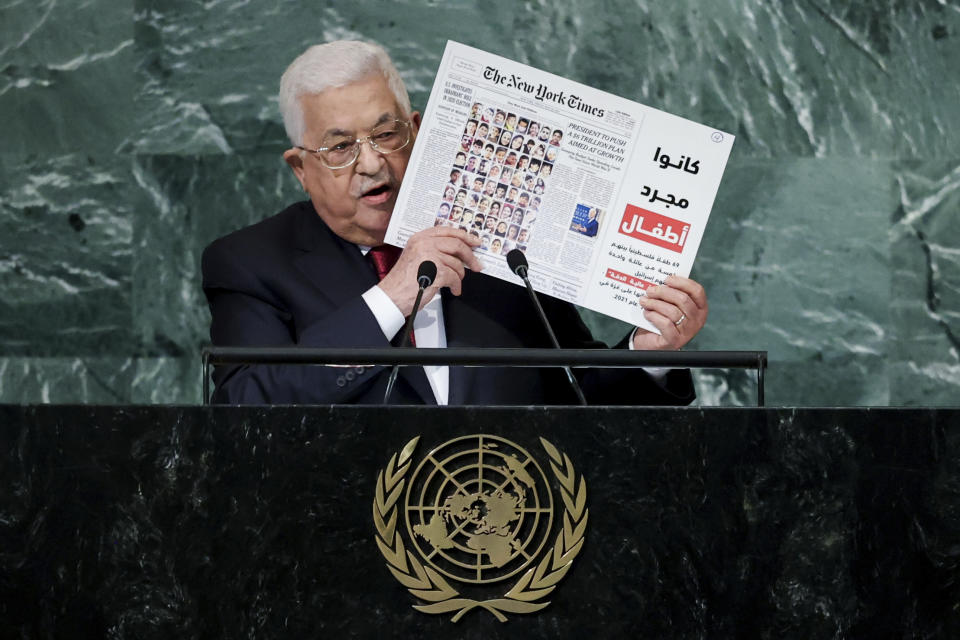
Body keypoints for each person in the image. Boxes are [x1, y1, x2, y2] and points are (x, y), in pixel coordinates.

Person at [202, 40, 708, 405]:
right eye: (340, 148)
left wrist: (648, 350)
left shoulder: (501, 241)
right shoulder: (250, 263)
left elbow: (576, 389)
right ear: (300, 169)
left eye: (387, 134)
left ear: (418, 131)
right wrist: (393, 297)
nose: (373, 164)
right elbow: (243, 404)